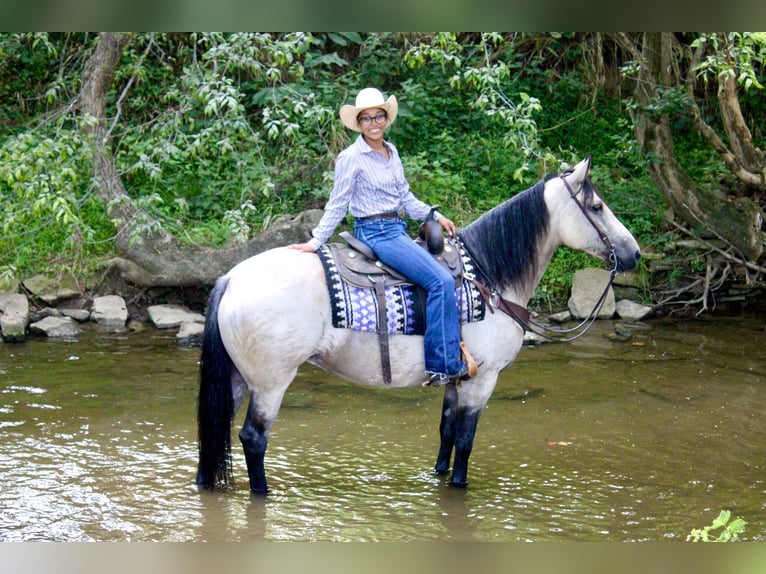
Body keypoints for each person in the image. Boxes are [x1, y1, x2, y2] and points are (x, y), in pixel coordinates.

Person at [287, 87, 473, 385]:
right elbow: (338, 203)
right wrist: (314, 242)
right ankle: (443, 365)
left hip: (396, 228)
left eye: (378, 116)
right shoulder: (351, 158)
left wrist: (433, 215)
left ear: (386, 119)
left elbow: (406, 198)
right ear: (359, 124)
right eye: (366, 118)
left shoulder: (391, 152)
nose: (373, 122)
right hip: (376, 233)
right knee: (440, 281)